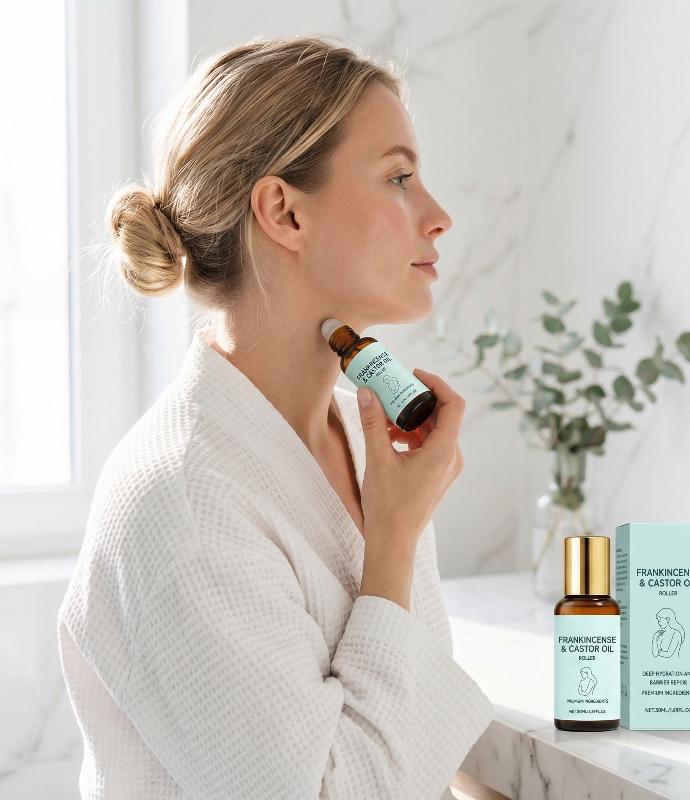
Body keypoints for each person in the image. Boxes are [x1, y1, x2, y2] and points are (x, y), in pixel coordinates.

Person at [57, 34, 500, 800]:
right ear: (284, 213)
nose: (438, 217)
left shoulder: (367, 444)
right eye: (399, 178)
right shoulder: (184, 501)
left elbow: (407, 738)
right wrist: (393, 540)